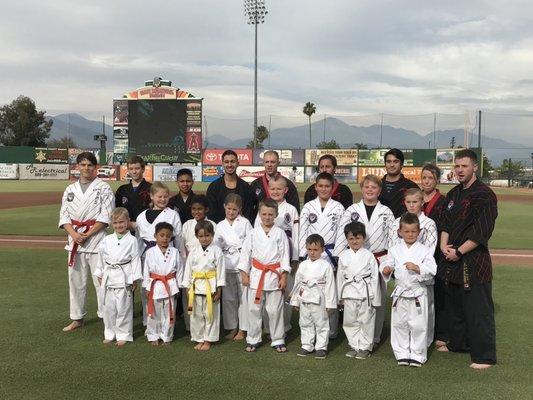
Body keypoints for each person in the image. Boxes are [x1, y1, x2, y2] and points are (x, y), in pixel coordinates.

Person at [439, 149, 497, 369]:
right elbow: (445, 223)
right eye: (457, 166)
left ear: (475, 167)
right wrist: (444, 245)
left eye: (464, 166)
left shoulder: (485, 195)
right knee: (455, 307)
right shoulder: (453, 194)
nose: (460, 170)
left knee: (477, 310)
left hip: (474, 262)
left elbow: (481, 232)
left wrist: (459, 252)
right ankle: (458, 344)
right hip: (451, 259)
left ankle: (484, 356)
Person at [334, 174, 394, 347]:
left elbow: (392, 238)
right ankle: (357, 338)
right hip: (355, 260)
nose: (370, 190)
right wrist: (339, 257)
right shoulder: (352, 209)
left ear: (379, 191)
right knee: (356, 301)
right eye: (367, 187)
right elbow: (341, 233)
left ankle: (374, 337)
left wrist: (390, 261)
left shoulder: (386, 212)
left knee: (378, 300)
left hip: (379, 257)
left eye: (374, 187)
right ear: (362, 189)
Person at [59, 151, 114, 332]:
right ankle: (77, 317)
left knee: (101, 282)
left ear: (95, 167)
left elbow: (106, 216)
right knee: (75, 282)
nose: (86, 168)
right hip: (74, 241)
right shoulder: (70, 189)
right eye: (82, 165)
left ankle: (106, 318)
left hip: (97, 241)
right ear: (77, 167)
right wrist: (74, 234)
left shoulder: (103, 188)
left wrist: (87, 234)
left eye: (89, 165)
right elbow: (64, 215)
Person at [380, 213, 437, 367]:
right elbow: (388, 262)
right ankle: (402, 353)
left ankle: (418, 355)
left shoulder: (424, 250)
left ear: (419, 232)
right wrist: (385, 269)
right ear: (400, 232)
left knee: (418, 325)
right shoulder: (394, 249)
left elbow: (432, 269)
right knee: (400, 324)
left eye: (413, 231)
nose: (410, 234)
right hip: (400, 292)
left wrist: (418, 268)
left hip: (418, 292)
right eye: (406, 231)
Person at [238, 199, 291, 353]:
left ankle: (277, 339)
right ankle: (253, 338)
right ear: (259, 214)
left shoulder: (280, 233)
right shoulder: (253, 233)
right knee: (254, 310)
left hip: (274, 275)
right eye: (264, 214)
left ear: (276, 214)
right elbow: (245, 255)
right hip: (256, 275)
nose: (267, 217)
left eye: (270, 214)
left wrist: (284, 276)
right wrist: (244, 273)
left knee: (275, 310)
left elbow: (284, 256)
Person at [388, 187, 438, 347]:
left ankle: (425, 343)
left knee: (425, 312)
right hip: (403, 275)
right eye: (408, 202)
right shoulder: (397, 222)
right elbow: (392, 246)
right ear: (404, 203)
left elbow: (430, 248)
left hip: (421, 275)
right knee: (402, 315)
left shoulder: (429, 224)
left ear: (422, 202)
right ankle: (404, 344)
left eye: (415, 202)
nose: (411, 205)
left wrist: (417, 266)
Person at [299, 172, 344, 338]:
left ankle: (331, 331)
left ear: (332, 188)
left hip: (331, 254)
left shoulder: (339, 207)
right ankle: (313, 329)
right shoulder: (308, 207)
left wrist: (337, 255)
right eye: (321, 186)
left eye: (327, 186)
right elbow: (302, 232)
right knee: (312, 292)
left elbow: (341, 233)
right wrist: (304, 254)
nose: (324, 189)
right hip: (312, 254)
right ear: (315, 187)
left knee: (330, 293)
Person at [253, 176, 299, 332]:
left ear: (285, 190)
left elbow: (297, 235)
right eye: (272, 188)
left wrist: (295, 258)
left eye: (279, 188)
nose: (275, 191)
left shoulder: (291, 209)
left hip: (285, 259)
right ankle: (267, 327)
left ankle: (284, 326)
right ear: (268, 190)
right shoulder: (264, 208)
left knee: (284, 294)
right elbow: (255, 236)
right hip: (265, 261)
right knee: (265, 296)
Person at [135, 182, 183, 326]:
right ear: (151, 196)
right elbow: (138, 240)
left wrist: (180, 257)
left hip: (166, 257)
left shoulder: (173, 214)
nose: (162, 199)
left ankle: (167, 324)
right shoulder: (141, 216)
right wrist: (137, 259)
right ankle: (148, 323)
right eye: (159, 196)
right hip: (146, 256)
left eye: (165, 196)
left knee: (167, 293)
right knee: (147, 291)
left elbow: (178, 238)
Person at [94, 207, 142, 346]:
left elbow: (135, 259)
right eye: (115, 223)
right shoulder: (107, 240)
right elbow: (101, 257)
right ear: (111, 223)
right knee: (108, 308)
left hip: (124, 277)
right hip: (109, 277)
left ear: (128, 221)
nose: (119, 225)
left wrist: (134, 278)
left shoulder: (132, 240)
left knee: (124, 308)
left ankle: (123, 334)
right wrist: (99, 272)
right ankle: (109, 333)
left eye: (121, 222)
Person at [337, 222, 381, 360]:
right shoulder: (343, 255)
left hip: (365, 293)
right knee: (350, 321)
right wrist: (340, 296)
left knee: (366, 321)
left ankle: (365, 347)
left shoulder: (369, 255)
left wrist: (376, 297)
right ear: (347, 239)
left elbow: (375, 277)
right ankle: (354, 345)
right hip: (349, 292)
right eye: (351, 238)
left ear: (364, 238)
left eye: (358, 238)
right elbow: (339, 277)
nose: (355, 241)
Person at [290, 234, 337, 359]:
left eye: (316, 250)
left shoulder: (326, 266)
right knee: (305, 322)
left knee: (321, 323)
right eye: (310, 249)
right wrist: (295, 300)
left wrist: (330, 304)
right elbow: (297, 283)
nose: (312, 252)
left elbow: (331, 286)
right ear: (306, 248)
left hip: (320, 298)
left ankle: (321, 347)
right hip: (304, 297)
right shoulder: (303, 265)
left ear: (322, 250)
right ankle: (306, 345)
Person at [214, 194, 253, 341]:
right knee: (229, 299)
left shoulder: (245, 223)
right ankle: (232, 327)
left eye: (234, 209)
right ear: (224, 207)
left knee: (243, 298)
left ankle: (244, 328)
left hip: (242, 264)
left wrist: (247, 267)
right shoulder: (220, 225)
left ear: (240, 209)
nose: (231, 212)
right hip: (226, 264)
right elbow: (217, 247)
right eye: (229, 208)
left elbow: (250, 245)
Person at [182, 220, 226, 351]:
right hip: (195, 287)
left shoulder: (217, 251)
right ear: (196, 236)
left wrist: (219, 289)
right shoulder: (194, 252)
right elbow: (188, 270)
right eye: (201, 236)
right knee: (196, 315)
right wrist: (187, 287)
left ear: (212, 235)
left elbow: (220, 271)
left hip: (210, 287)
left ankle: (208, 340)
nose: (204, 238)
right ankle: (199, 338)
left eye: (207, 235)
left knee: (210, 315)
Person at [420, 163, 449, 348]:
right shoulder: (415, 198)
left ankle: (441, 332)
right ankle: (421, 329)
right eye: (424, 177)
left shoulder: (443, 201)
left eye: (430, 177)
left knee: (439, 293)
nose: (427, 181)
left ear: (437, 180)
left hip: (437, 253)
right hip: (417, 253)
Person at [143, 222, 184, 345]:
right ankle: (153, 335)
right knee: (153, 313)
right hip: (154, 284)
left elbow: (180, 269)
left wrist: (179, 286)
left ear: (171, 237)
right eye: (161, 235)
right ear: (155, 236)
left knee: (169, 312)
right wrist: (146, 286)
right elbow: (146, 270)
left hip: (170, 285)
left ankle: (167, 336)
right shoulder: (150, 252)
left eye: (168, 236)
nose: (165, 238)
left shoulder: (175, 252)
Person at [250, 150, 300, 220]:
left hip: (282, 224)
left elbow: (295, 209)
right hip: (261, 226)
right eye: (267, 162)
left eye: (272, 162)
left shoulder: (288, 184)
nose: (269, 165)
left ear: (278, 163)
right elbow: (250, 209)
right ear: (263, 163)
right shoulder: (255, 184)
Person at [206, 150, 254, 223]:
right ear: (222, 164)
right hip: (219, 229)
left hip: (241, 230)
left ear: (238, 163)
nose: (229, 165)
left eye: (232, 161)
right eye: (226, 162)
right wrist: (224, 227)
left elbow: (248, 212)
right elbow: (211, 214)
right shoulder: (214, 187)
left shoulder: (246, 187)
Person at [378, 149, 419, 218]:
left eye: (396, 161)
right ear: (385, 164)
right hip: (379, 226)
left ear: (401, 164)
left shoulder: (411, 186)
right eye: (388, 161)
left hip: (403, 226)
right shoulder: (377, 185)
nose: (392, 165)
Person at [115, 155, 152, 223]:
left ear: (143, 169)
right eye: (131, 169)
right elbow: (117, 211)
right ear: (128, 170)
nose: (134, 172)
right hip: (126, 229)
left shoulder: (151, 188)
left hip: (145, 228)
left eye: (137, 168)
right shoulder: (122, 190)